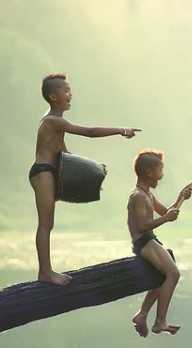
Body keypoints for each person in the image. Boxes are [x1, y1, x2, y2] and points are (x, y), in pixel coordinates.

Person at [30, 73, 140, 285]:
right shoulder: (53, 121)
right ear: (53, 96)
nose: (70, 94)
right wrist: (120, 130)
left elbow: (63, 154)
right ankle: (45, 272)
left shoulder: (56, 123)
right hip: (42, 172)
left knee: (49, 223)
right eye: (66, 90)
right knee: (45, 224)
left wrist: (90, 170)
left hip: (49, 172)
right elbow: (89, 132)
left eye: (70, 90)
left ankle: (47, 270)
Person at [126, 149, 192, 336]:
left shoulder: (148, 194)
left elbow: (166, 212)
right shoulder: (138, 196)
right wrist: (167, 219)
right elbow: (142, 225)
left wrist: (181, 197)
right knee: (173, 274)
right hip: (144, 241)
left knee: (162, 277)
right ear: (149, 173)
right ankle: (159, 321)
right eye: (160, 170)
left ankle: (142, 314)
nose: (162, 175)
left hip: (150, 240)